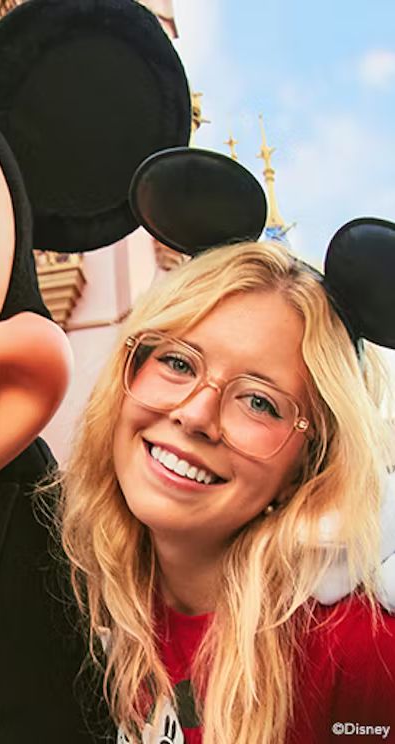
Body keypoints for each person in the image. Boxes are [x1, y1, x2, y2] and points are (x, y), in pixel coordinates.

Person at [57, 239, 395, 743]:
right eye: (178, 363)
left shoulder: (361, 651)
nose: (195, 415)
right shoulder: (80, 588)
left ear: (310, 463)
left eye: (259, 401)